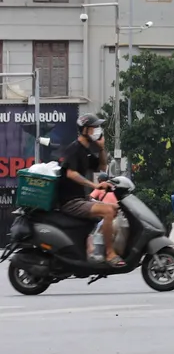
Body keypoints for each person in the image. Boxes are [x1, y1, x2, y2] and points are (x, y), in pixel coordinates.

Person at [57, 114, 123, 267]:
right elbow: (70, 173)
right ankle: (109, 254)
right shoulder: (74, 148)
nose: (97, 130)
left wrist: (101, 149)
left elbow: (101, 166)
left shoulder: (86, 150)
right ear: (85, 130)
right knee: (107, 211)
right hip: (71, 201)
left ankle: (96, 248)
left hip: (81, 198)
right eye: (94, 127)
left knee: (115, 208)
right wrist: (95, 186)